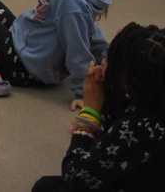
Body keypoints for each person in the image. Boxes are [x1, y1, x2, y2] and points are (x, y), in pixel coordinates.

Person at [32, 22, 165, 192]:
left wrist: (90, 113)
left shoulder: (140, 125)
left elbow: (76, 176)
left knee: (46, 187)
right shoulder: (155, 98)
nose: (102, 62)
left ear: (131, 78)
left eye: (111, 60)